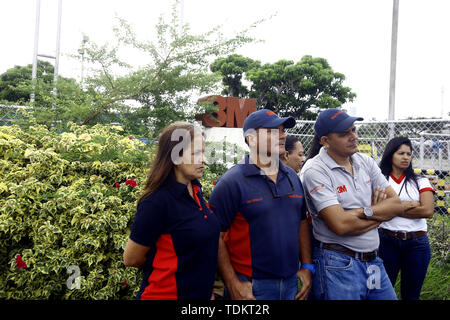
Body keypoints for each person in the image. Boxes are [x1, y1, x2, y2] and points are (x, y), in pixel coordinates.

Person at [209, 109, 313, 300]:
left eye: (283, 130)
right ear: (251, 139)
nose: (282, 135)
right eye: (273, 130)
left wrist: (307, 266)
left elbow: (301, 222)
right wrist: (232, 283)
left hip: (292, 285)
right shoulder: (231, 182)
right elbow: (215, 236)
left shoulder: (292, 176)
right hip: (251, 287)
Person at [301, 108, 404, 300]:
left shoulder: (365, 161)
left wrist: (363, 212)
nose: (353, 137)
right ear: (325, 141)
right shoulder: (315, 170)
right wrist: (379, 216)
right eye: (343, 134)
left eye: (353, 130)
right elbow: (340, 225)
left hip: (373, 260)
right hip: (338, 263)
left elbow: (397, 205)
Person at [123, 122, 221, 300]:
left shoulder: (197, 192)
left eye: (203, 153)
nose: (204, 160)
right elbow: (131, 259)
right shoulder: (156, 202)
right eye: (196, 153)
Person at [378, 137, 435, 300]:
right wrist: (408, 206)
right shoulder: (381, 180)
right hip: (386, 240)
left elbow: (428, 211)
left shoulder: (420, 180)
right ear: (390, 155)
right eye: (400, 153)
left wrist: (390, 208)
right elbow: (375, 210)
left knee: (411, 294)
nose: (406, 157)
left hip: (416, 243)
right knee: (382, 291)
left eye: (409, 154)